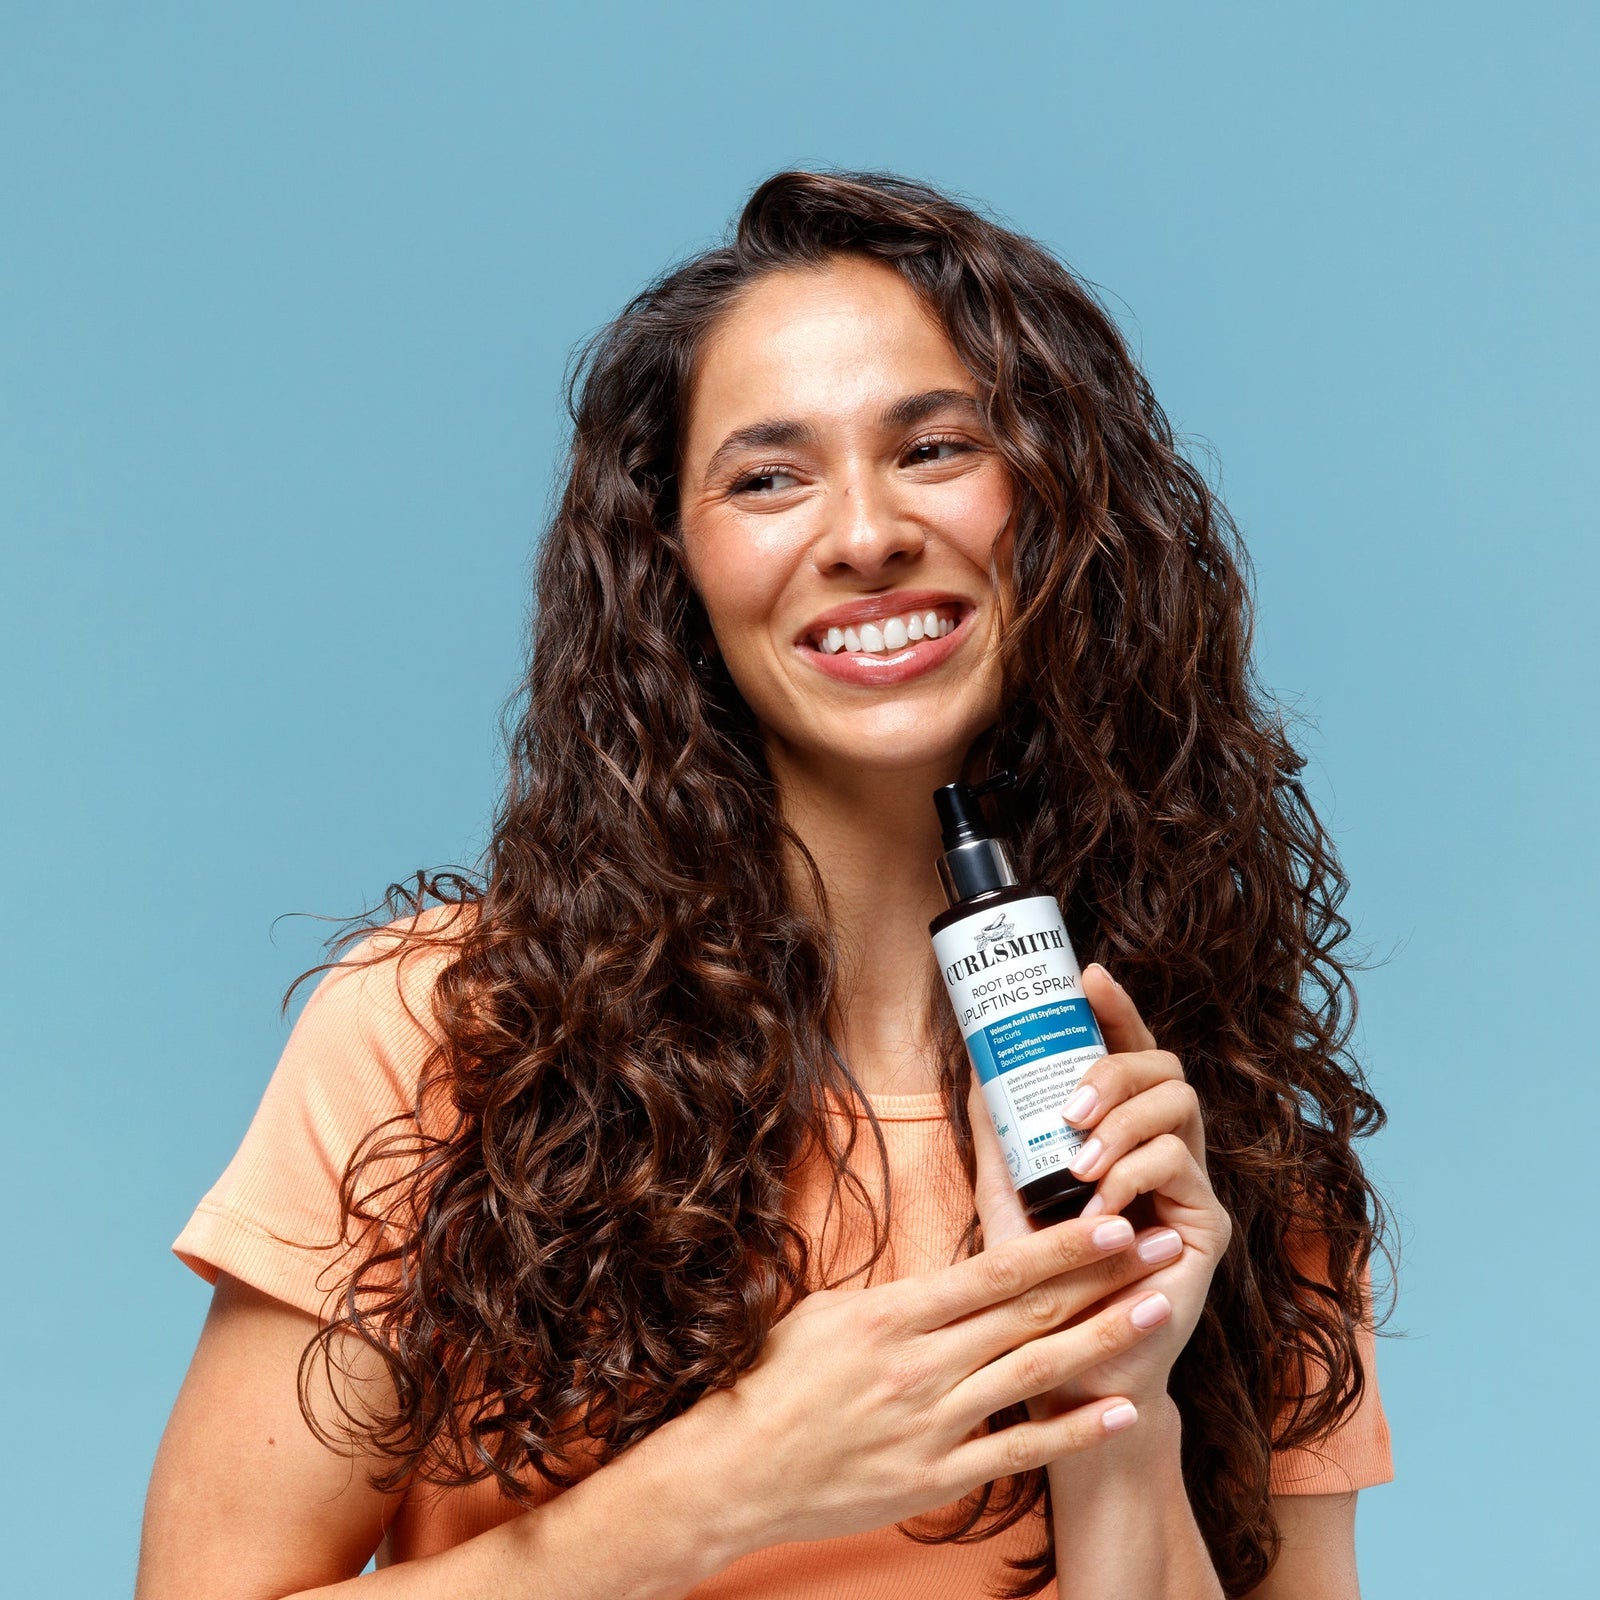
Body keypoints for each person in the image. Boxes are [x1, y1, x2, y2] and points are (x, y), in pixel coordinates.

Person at [137, 170, 1394, 1600]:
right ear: (673, 562)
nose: (862, 535)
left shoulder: (1202, 1133)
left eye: (933, 447)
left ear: (1056, 505)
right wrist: (725, 1484)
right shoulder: (441, 1038)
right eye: (768, 475)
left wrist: (1118, 1412)